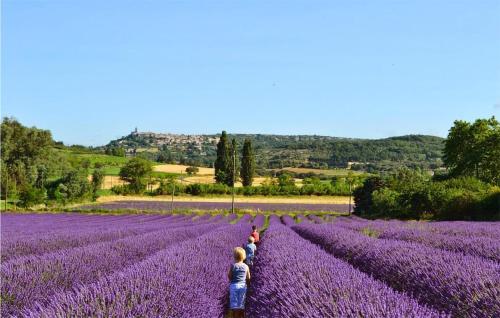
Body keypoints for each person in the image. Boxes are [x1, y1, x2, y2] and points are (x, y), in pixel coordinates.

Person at [228, 247, 250, 318]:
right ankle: (241, 315)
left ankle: (235, 315)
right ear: (244, 256)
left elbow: (229, 276)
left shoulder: (233, 266)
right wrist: (248, 284)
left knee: (234, 303)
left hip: (234, 286)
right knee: (241, 302)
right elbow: (248, 277)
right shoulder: (246, 266)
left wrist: (231, 279)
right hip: (242, 286)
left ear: (234, 257)